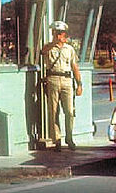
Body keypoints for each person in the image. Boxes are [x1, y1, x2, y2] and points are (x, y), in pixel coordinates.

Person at [41, 21, 82, 151]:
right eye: (56, 33)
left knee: (69, 111)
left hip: (66, 80)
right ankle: (56, 139)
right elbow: (43, 52)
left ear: (64, 33)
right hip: (53, 78)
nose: (58, 35)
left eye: (60, 33)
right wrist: (54, 42)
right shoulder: (49, 47)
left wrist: (79, 83)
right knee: (53, 111)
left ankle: (69, 137)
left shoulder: (69, 49)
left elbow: (74, 66)